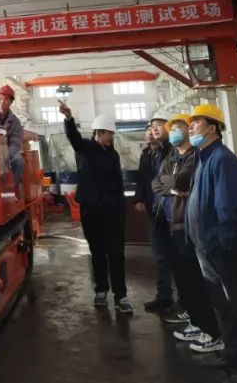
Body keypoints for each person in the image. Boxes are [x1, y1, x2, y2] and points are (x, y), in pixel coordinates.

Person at [185, 104, 237, 383]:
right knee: (224, 306)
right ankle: (234, 355)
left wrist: (224, 242)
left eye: (196, 122)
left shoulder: (222, 159)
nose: (190, 127)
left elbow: (227, 207)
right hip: (208, 248)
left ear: (212, 128)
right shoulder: (204, 157)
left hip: (224, 248)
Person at [153, 113, 224, 353]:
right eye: (173, 127)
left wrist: (172, 184)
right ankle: (198, 322)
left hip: (189, 226)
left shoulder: (200, 156)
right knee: (185, 281)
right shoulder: (173, 156)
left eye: (182, 126)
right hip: (174, 223)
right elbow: (157, 183)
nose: (179, 131)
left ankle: (211, 330)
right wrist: (171, 187)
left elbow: (181, 181)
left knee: (199, 281)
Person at [58, 101, 132, 315]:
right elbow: (73, 137)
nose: (112, 137)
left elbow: (117, 183)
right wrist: (69, 118)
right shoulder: (85, 148)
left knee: (116, 253)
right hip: (91, 210)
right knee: (97, 252)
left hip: (113, 210)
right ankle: (101, 290)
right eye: (109, 133)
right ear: (99, 132)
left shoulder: (113, 154)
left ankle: (121, 296)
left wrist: (121, 208)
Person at [136, 110, 175, 314]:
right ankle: (164, 296)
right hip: (156, 210)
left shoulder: (174, 150)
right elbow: (143, 178)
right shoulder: (151, 153)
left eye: (158, 126)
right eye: (151, 127)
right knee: (161, 256)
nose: (153, 130)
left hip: (173, 212)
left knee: (179, 257)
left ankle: (187, 302)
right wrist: (140, 198)